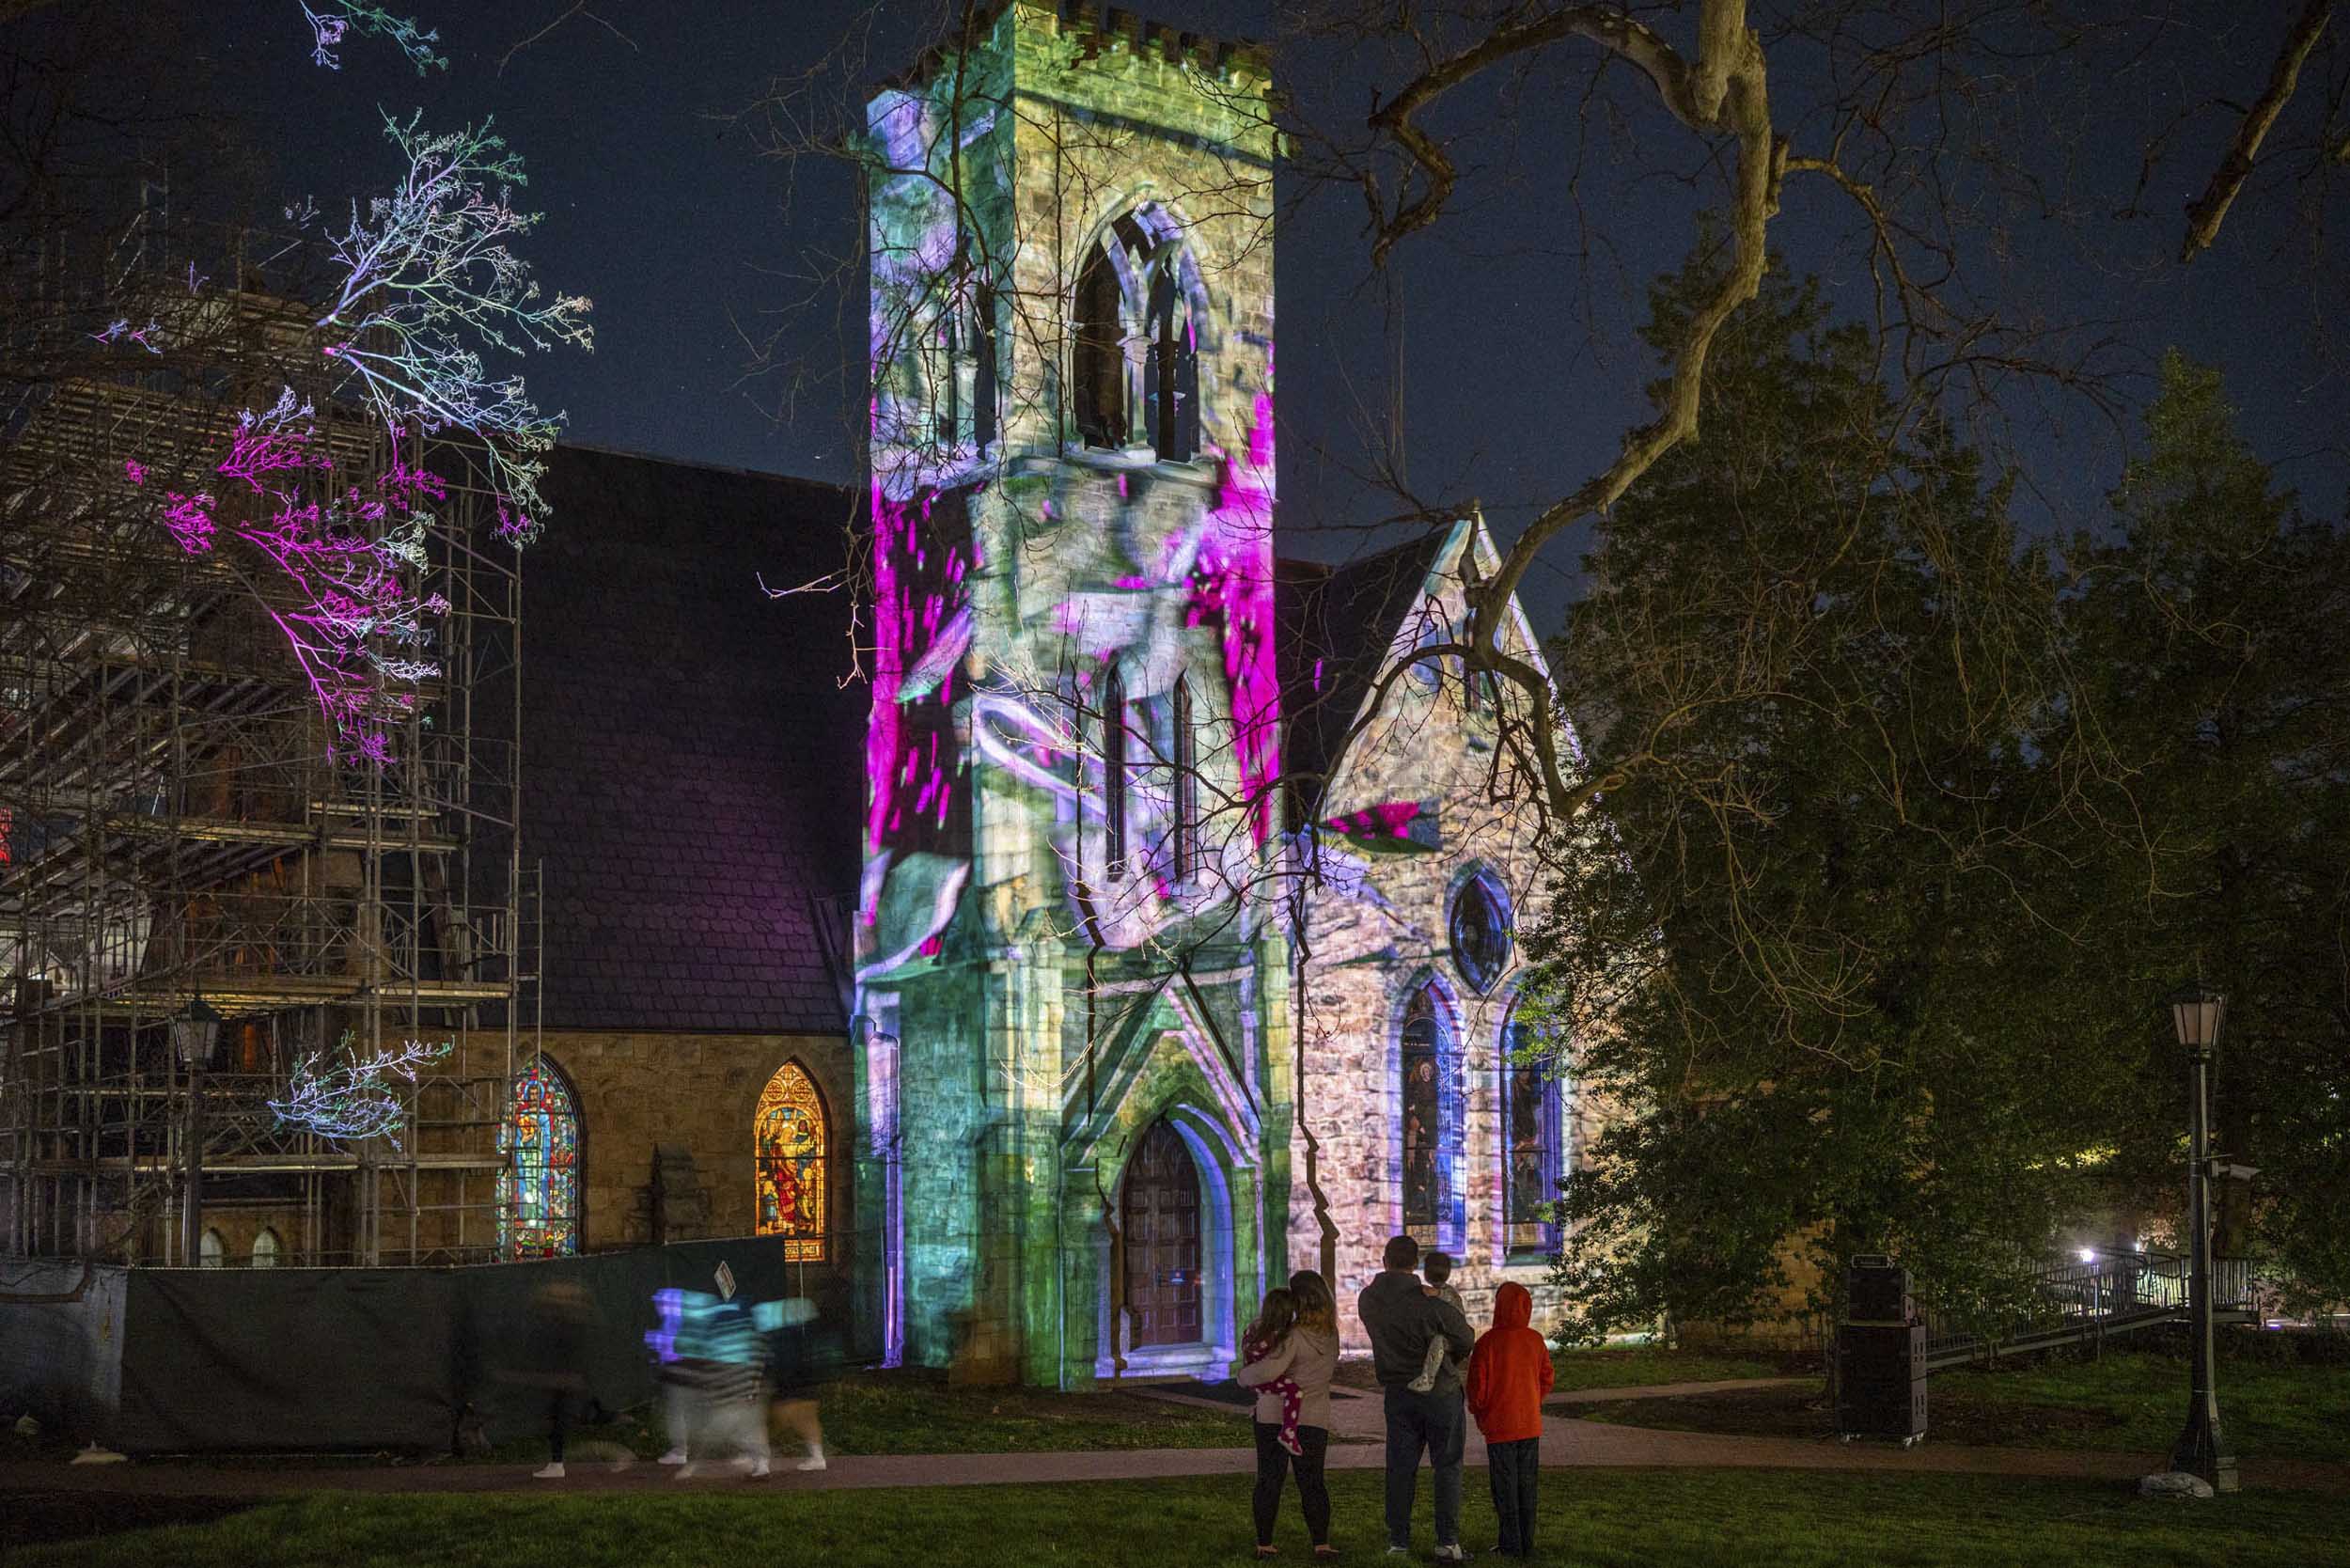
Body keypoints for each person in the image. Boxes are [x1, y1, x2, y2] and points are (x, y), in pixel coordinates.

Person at [1358, 1234, 1475, 1561]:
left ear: (1385, 1261)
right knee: (1447, 1465)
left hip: (1397, 1392)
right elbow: (1465, 1337)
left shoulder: (1368, 1301)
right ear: (1415, 1264)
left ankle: (1399, 1540)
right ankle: (1447, 1541)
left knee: (1399, 1467)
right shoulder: (1431, 1305)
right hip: (1441, 1392)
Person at [1237, 1275, 1340, 1560]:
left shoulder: (1292, 1336)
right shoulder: (1331, 1334)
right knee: (1313, 1481)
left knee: (1270, 1478)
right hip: (1315, 1415)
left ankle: (1265, 1542)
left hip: (1274, 1415)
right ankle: (1321, 1542)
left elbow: (1269, 1370)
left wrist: (1243, 1376)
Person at [1465, 1281, 1553, 1559]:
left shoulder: (1487, 1343)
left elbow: (1477, 1387)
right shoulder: (1535, 1340)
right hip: (1529, 1424)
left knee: (1504, 1487)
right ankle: (1527, 1543)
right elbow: (1547, 1377)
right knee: (1527, 1485)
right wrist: (1532, 1399)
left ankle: (1509, 1544)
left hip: (1500, 1425)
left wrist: (1481, 1413)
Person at [525, 1278, 591, 1480]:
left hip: (563, 1380)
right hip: (561, 1379)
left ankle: (557, 1463)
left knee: (558, 1420)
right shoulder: (563, 1323)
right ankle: (556, 1462)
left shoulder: (568, 1324)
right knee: (554, 1419)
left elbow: (565, 1352)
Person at [1406, 1251, 1467, 1394]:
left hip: (1449, 1337)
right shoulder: (1447, 1292)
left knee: (1438, 1341)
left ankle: (1427, 1378)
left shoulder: (1442, 1293)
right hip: (1446, 1338)